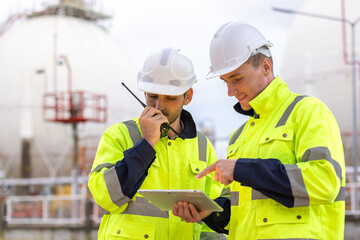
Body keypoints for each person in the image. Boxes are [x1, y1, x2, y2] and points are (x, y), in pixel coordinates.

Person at [172, 21, 345, 240]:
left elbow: (325, 182)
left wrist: (243, 169)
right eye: (225, 82)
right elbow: (245, 211)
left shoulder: (308, 112)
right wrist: (211, 212)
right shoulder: (240, 137)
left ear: (266, 67)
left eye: (237, 79)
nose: (230, 91)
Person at [88, 47, 227, 240]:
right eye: (152, 96)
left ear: (188, 96)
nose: (158, 106)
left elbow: (210, 217)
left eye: (170, 98)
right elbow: (105, 198)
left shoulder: (202, 147)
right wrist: (146, 145)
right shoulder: (119, 135)